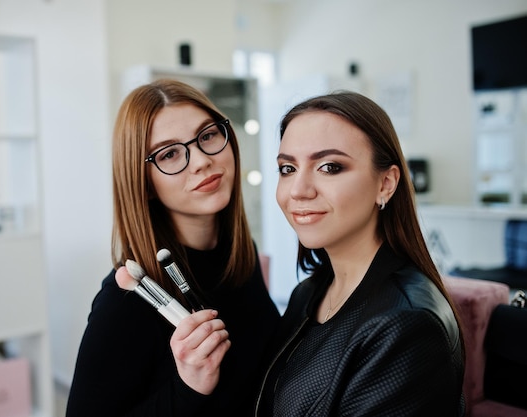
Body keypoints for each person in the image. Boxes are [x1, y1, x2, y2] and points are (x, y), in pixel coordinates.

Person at [66, 79, 280, 416]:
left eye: (208, 135)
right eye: (169, 154)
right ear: (145, 184)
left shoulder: (241, 255)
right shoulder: (126, 299)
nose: (200, 161)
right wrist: (188, 388)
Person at [255, 91, 465, 416]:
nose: (298, 190)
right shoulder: (309, 292)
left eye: (329, 167)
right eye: (287, 169)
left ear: (386, 183)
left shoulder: (405, 326)